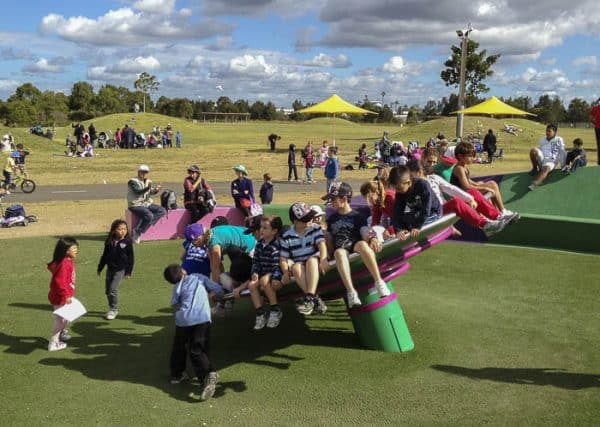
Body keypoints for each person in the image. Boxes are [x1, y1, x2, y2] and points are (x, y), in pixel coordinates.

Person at [322, 182, 390, 307]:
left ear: (344, 199)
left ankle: (379, 281)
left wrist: (372, 239)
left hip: (355, 245)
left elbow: (364, 231)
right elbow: (329, 239)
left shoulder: (357, 216)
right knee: (339, 252)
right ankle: (351, 291)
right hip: (340, 249)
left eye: (333, 199)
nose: (331, 202)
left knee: (363, 245)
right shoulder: (331, 218)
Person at [163, 264, 223, 401]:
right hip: (201, 318)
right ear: (183, 271)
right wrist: (214, 295)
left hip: (182, 319)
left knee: (179, 346)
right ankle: (208, 375)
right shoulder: (198, 277)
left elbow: (174, 303)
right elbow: (218, 290)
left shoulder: (177, 287)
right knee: (197, 349)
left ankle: (177, 375)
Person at [413, 154, 507, 236]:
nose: (418, 175)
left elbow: (451, 188)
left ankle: (498, 216)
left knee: (472, 192)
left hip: (444, 207)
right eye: (415, 174)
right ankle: (484, 225)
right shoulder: (414, 187)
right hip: (435, 212)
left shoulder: (434, 178)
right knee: (456, 202)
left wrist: (470, 199)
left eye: (419, 172)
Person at [234, 216, 285, 330]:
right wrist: (255, 272)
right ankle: (260, 312)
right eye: (261, 227)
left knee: (264, 280)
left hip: (275, 272)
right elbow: (256, 261)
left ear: (274, 231)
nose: (261, 230)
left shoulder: (277, 245)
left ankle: (275, 309)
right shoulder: (259, 244)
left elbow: (279, 264)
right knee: (252, 285)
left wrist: (276, 276)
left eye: (265, 228)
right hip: (263, 272)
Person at [279, 202, 328, 316]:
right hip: (299, 262)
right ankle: (313, 298)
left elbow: (321, 245)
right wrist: (285, 273)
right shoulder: (286, 236)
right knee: (296, 267)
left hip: (314, 259)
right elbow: (283, 258)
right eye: (306, 219)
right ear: (295, 222)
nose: (310, 220)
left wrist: (324, 260)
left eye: (310, 217)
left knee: (311, 260)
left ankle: (309, 297)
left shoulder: (315, 228)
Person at [452, 142, 517, 221]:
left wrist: (481, 185)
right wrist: (485, 188)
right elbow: (466, 187)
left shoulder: (463, 167)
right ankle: (502, 211)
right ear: (460, 156)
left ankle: (499, 212)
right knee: (492, 185)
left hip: (467, 192)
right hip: (464, 195)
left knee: (489, 183)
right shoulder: (459, 169)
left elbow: (469, 181)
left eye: (473, 156)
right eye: (469, 156)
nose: (472, 158)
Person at [389, 165, 442, 241]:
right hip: (417, 212)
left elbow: (426, 208)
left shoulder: (422, 185)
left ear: (408, 182)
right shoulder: (399, 193)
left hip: (433, 212)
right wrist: (399, 229)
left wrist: (417, 226)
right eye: (395, 189)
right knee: (405, 221)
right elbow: (397, 212)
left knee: (412, 225)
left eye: (399, 188)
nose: (397, 191)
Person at [97, 219, 134, 320]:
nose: (123, 231)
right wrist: (100, 267)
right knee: (108, 291)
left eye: (125, 229)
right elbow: (104, 255)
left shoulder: (127, 242)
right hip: (110, 269)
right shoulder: (109, 241)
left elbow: (131, 258)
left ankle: (114, 309)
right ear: (113, 230)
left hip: (120, 270)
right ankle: (111, 308)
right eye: (120, 229)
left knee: (113, 289)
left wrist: (128, 271)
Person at [47, 236, 79, 351]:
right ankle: (54, 342)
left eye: (76, 248)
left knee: (65, 318)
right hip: (61, 297)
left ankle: (58, 336)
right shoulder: (64, 263)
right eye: (74, 248)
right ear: (66, 250)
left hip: (62, 296)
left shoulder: (67, 261)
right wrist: (66, 296)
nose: (76, 250)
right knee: (61, 320)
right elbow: (59, 282)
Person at [127, 165, 166, 244]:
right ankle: (137, 232)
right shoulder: (132, 181)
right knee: (149, 215)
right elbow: (137, 191)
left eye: (146, 172)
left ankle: (144, 224)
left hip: (145, 203)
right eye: (142, 172)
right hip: (135, 204)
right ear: (138, 172)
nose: (144, 173)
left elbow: (151, 192)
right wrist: (147, 188)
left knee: (162, 210)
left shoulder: (148, 181)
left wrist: (157, 190)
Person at [527, 124, 566, 191]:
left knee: (546, 168)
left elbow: (562, 152)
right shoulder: (542, 139)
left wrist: (563, 165)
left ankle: (534, 184)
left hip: (551, 161)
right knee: (533, 150)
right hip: (542, 159)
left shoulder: (559, 140)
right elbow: (540, 149)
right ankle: (534, 168)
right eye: (546, 131)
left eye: (549, 131)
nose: (547, 133)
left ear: (555, 132)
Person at [590, 98, 600, 165]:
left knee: (599, 145)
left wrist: (595, 123)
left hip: (598, 128)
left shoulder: (595, 108)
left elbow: (590, 118)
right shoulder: (595, 108)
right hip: (598, 128)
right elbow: (591, 117)